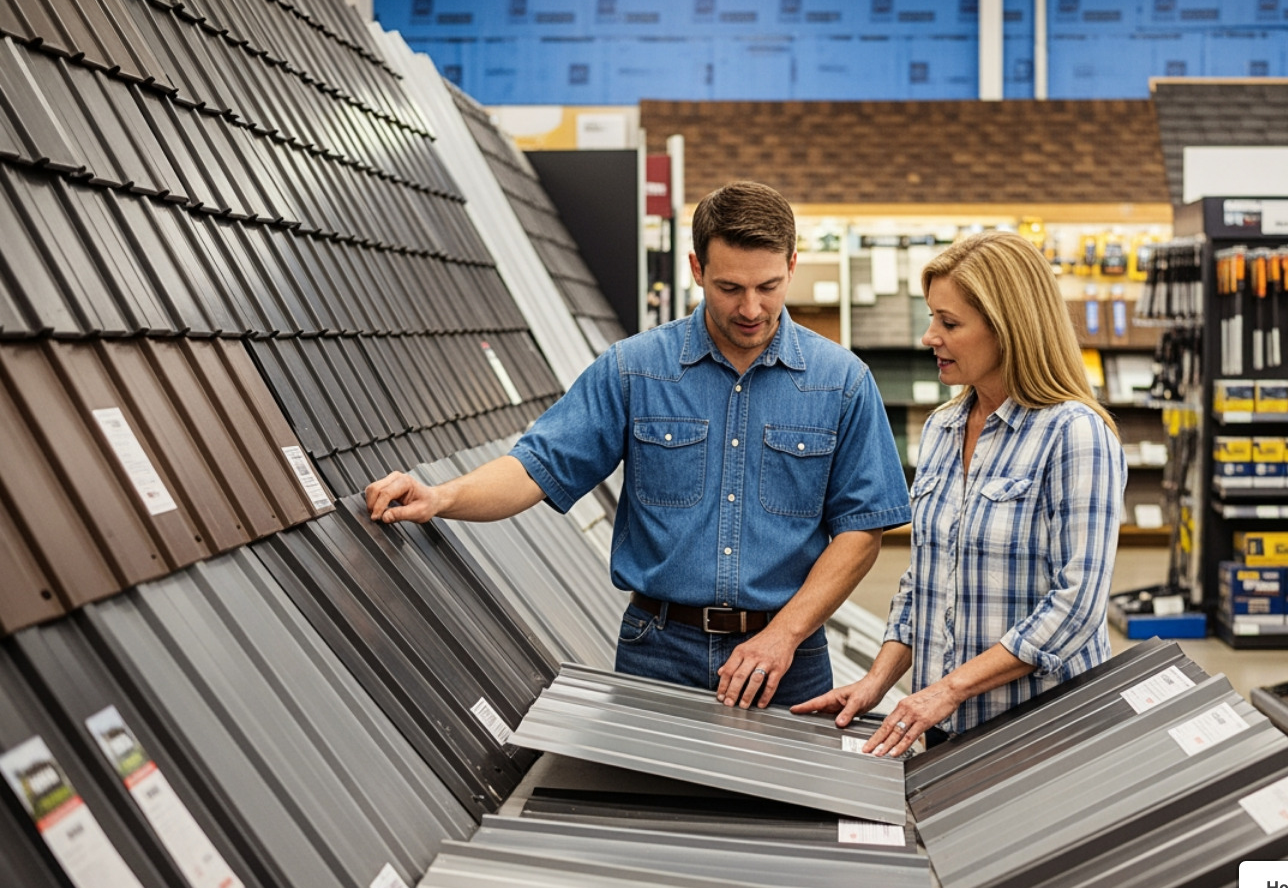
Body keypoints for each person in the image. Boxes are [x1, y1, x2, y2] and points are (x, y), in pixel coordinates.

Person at [365, 181, 911, 709]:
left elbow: (861, 528)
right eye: (729, 288)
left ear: (792, 266)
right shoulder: (634, 370)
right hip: (659, 650)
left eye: (768, 287)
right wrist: (440, 497)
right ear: (697, 269)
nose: (750, 308)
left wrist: (784, 635)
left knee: (791, 808)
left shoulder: (842, 382)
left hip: (789, 658)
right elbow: (538, 466)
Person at [792, 231, 1125, 755]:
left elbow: (1077, 606)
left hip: (1042, 732)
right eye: (931, 318)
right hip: (947, 731)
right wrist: (878, 681)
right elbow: (927, 576)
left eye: (948, 323)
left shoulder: (1075, 434)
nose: (929, 337)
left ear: (1008, 328)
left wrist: (949, 690)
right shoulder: (943, 428)